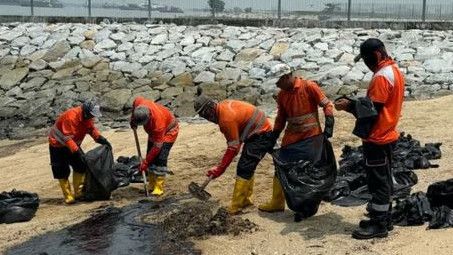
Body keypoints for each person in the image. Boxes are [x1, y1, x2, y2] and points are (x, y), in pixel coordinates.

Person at [335, 38, 405, 239]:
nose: (366, 64)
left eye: (367, 60)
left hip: (378, 138)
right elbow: (377, 106)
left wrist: (348, 106)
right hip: (388, 134)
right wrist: (354, 102)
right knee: (383, 178)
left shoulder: (381, 77)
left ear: (376, 55)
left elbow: (371, 112)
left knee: (378, 182)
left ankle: (379, 225)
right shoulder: (394, 72)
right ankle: (382, 216)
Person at [258, 71, 334, 221]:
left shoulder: (309, 86)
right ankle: (277, 201)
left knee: (308, 171)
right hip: (291, 138)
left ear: (286, 77)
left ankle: (308, 207)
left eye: (278, 83)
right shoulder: (282, 95)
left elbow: (327, 104)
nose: (277, 86)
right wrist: (274, 136)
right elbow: (281, 118)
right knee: (282, 167)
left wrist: (329, 123)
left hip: (311, 138)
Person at [194, 96, 274, 214]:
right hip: (257, 128)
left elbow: (233, 148)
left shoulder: (226, 119)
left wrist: (220, 169)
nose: (207, 119)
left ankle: (237, 206)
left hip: (261, 133)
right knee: (247, 165)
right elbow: (237, 140)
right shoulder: (223, 106)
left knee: (244, 168)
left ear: (210, 108)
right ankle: (246, 201)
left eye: (205, 115)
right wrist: (219, 168)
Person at [48, 100, 111, 204]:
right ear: (86, 112)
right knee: (61, 170)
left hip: (73, 144)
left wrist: (100, 138)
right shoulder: (71, 117)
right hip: (57, 144)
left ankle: (78, 192)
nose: (92, 117)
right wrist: (77, 151)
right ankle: (68, 196)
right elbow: (67, 138)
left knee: (80, 166)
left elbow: (91, 129)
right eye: (91, 115)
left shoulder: (88, 117)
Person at [130, 96, 179, 196]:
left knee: (160, 158)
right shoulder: (140, 102)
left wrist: (146, 162)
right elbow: (134, 103)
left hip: (169, 131)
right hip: (153, 133)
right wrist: (132, 121)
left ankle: (158, 187)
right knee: (149, 154)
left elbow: (157, 147)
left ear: (149, 117)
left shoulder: (158, 125)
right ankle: (151, 185)